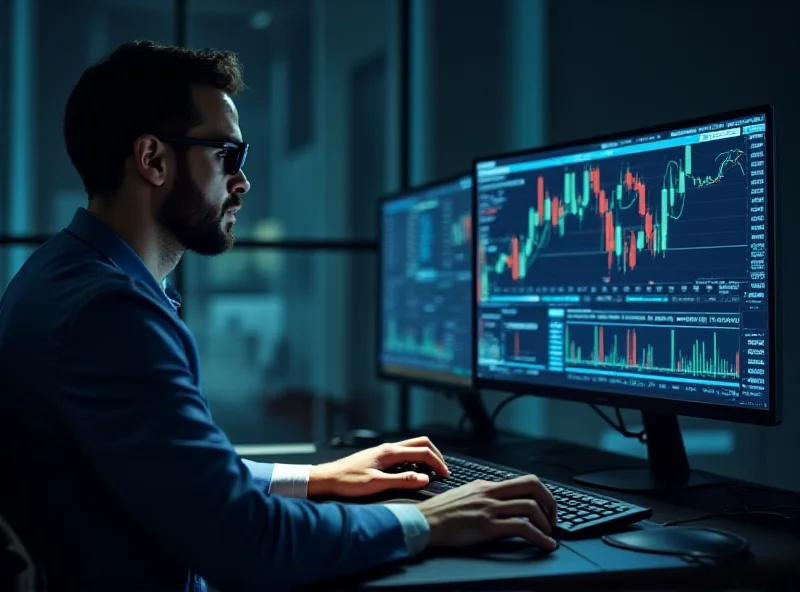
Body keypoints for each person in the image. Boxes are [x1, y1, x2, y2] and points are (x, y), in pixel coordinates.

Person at [0, 41, 558, 591]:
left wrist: (316, 479)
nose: (242, 182)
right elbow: (246, 542)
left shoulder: (57, 274)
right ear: (153, 159)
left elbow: (168, 475)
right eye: (229, 157)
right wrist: (426, 521)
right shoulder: (108, 312)